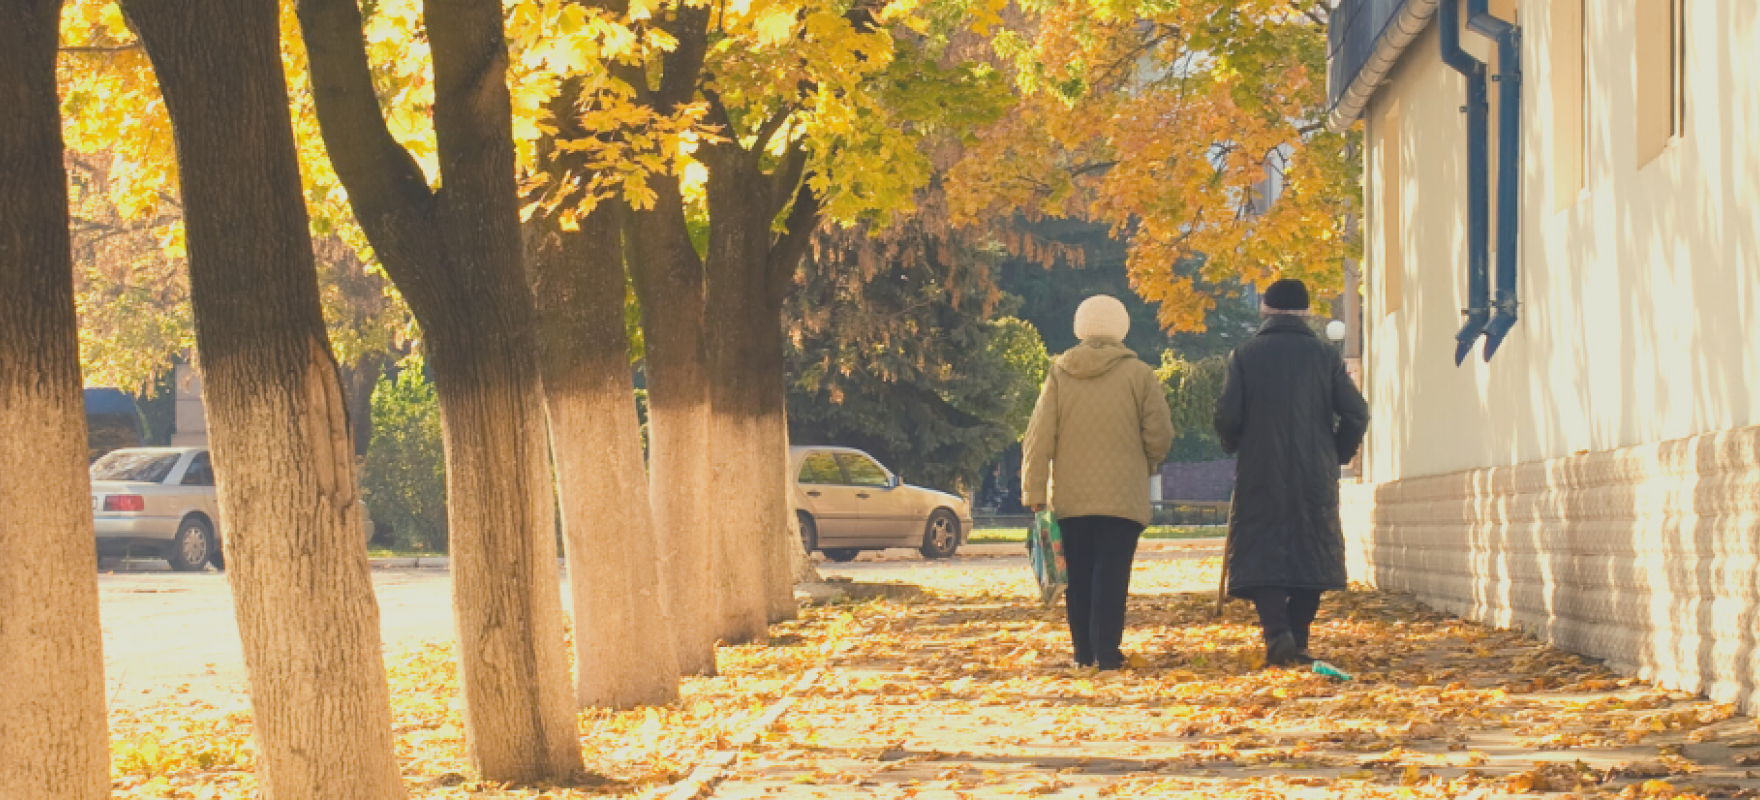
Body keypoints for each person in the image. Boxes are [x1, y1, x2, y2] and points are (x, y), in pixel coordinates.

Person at [1213, 278, 1370, 667]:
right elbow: (1356, 412)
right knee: (1310, 553)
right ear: (1305, 311)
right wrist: (1335, 453)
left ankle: (1276, 633)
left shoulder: (1245, 355)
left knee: (1263, 551)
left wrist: (1234, 444)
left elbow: (1227, 415)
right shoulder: (1324, 356)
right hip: (1312, 470)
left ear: (1266, 308)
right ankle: (1297, 637)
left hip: (1259, 470)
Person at [1022, 295, 1175, 670]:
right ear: (1122, 327)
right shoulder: (1140, 374)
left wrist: (1035, 490)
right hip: (1123, 497)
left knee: (1079, 576)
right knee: (1112, 574)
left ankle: (1082, 653)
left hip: (1072, 498)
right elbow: (1160, 433)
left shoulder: (1059, 373)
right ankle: (1107, 652)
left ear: (1080, 327)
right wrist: (1148, 459)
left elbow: (1038, 436)